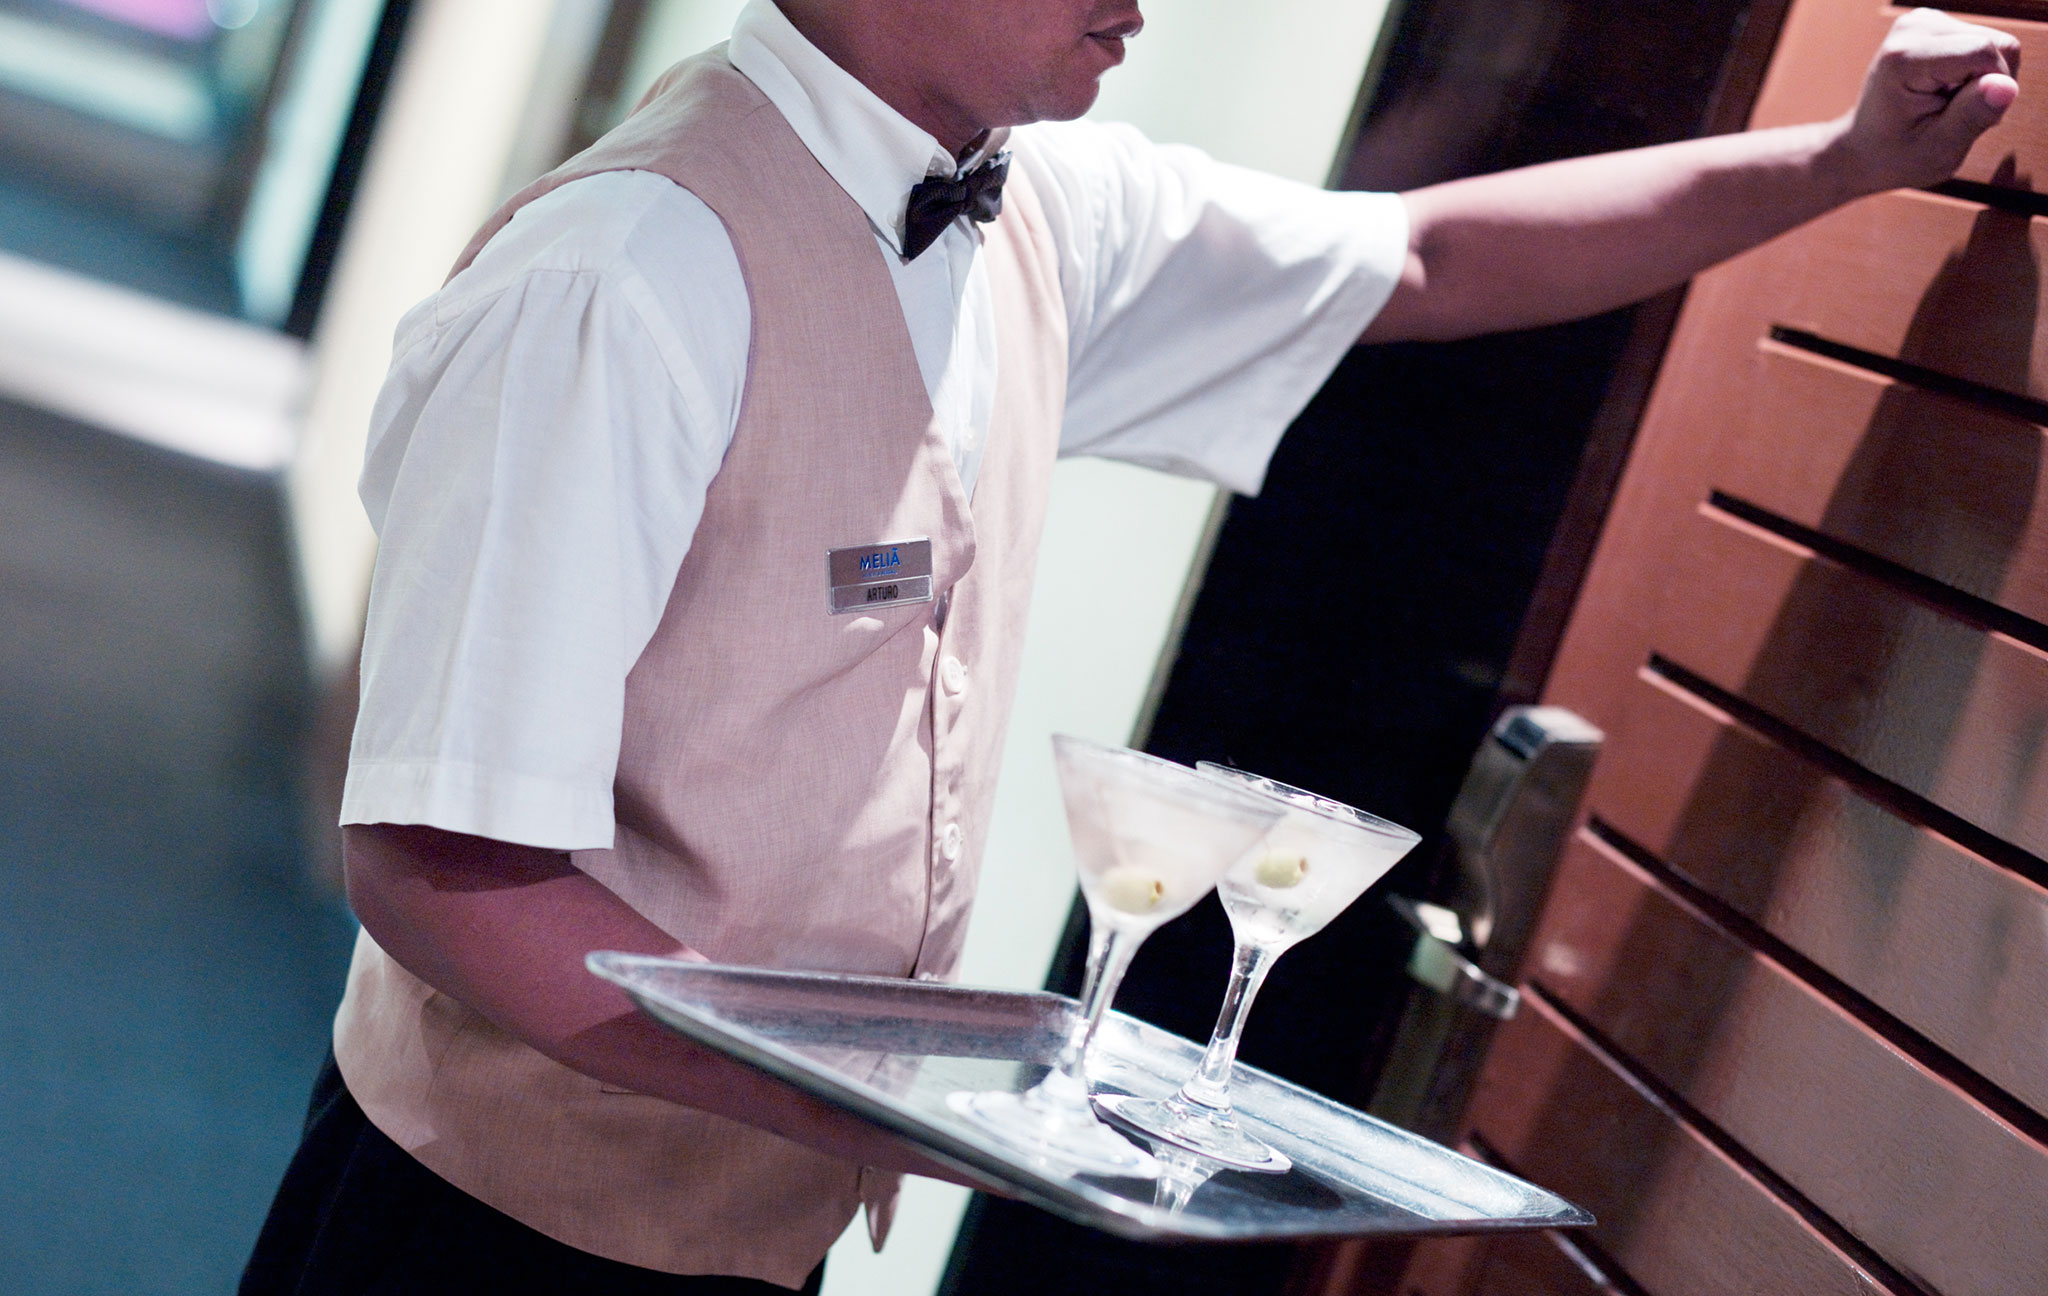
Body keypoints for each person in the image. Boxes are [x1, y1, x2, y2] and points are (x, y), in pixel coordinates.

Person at [242, 2, 2019, 1291]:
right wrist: (928, 1112)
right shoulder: (624, 280)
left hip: (751, 1237)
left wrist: (1846, 160)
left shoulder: (1040, 208)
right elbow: (438, 870)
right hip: (471, 1236)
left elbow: (1424, 264)